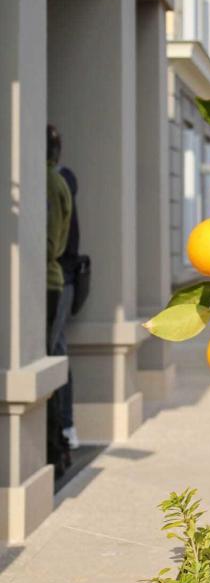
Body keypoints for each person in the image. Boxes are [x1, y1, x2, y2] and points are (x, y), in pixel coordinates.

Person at [46, 124, 73, 477]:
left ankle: (54, 449)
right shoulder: (54, 181)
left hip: (44, 285)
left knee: (48, 363)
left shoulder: (49, 183)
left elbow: (48, 244)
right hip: (48, 283)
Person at [56, 147, 81, 451]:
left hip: (61, 278)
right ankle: (63, 425)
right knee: (57, 346)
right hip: (64, 278)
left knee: (57, 348)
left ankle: (64, 425)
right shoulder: (62, 181)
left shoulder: (58, 183)